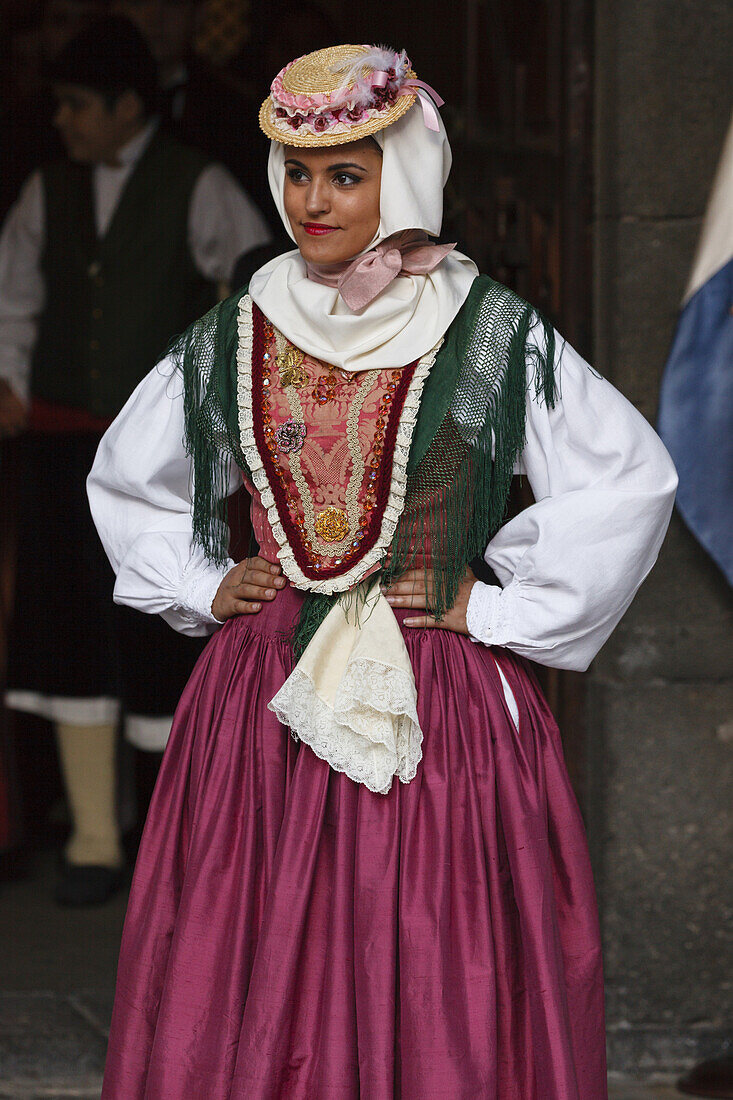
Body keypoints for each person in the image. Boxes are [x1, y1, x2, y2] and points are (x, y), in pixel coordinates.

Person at [89, 44, 677, 1097]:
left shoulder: (488, 330)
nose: (313, 200)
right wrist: (197, 579)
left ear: (403, 175)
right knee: (253, 951)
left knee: (433, 959)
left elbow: (624, 479)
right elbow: (131, 474)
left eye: (346, 174)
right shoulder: (243, 322)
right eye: (299, 172)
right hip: (264, 704)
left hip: (433, 705)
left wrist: (494, 599)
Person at [0, 14, 270, 906]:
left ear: (126, 105)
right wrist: (7, 378)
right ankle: (89, 838)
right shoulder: (47, 189)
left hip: (168, 452)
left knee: (159, 637)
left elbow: (252, 281)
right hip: (60, 441)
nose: (66, 122)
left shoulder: (197, 183)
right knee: (69, 626)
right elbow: (17, 296)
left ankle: (171, 839)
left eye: (79, 105)